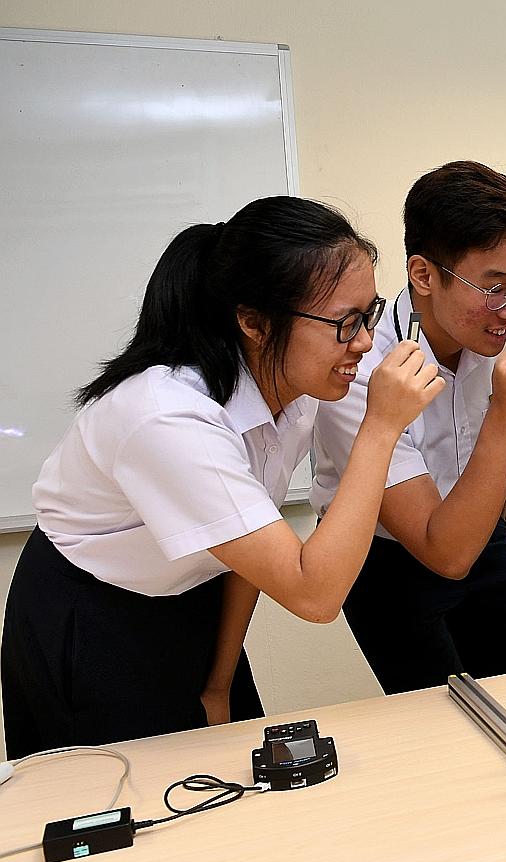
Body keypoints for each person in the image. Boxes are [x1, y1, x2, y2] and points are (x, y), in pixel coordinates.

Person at [1, 196, 441, 758]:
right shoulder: (167, 416)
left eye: (369, 315)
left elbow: (249, 554)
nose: (362, 342)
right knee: (117, 806)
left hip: (193, 599)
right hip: (94, 618)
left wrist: (219, 682)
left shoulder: (292, 393)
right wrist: (380, 427)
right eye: (343, 323)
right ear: (254, 321)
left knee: (229, 767)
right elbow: (315, 593)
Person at [312, 161, 506, 693]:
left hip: (481, 534)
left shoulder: (499, 334)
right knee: (443, 724)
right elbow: (442, 551)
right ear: (423, 275)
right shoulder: (359, 368)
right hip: (390, 563)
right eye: (493, 288)